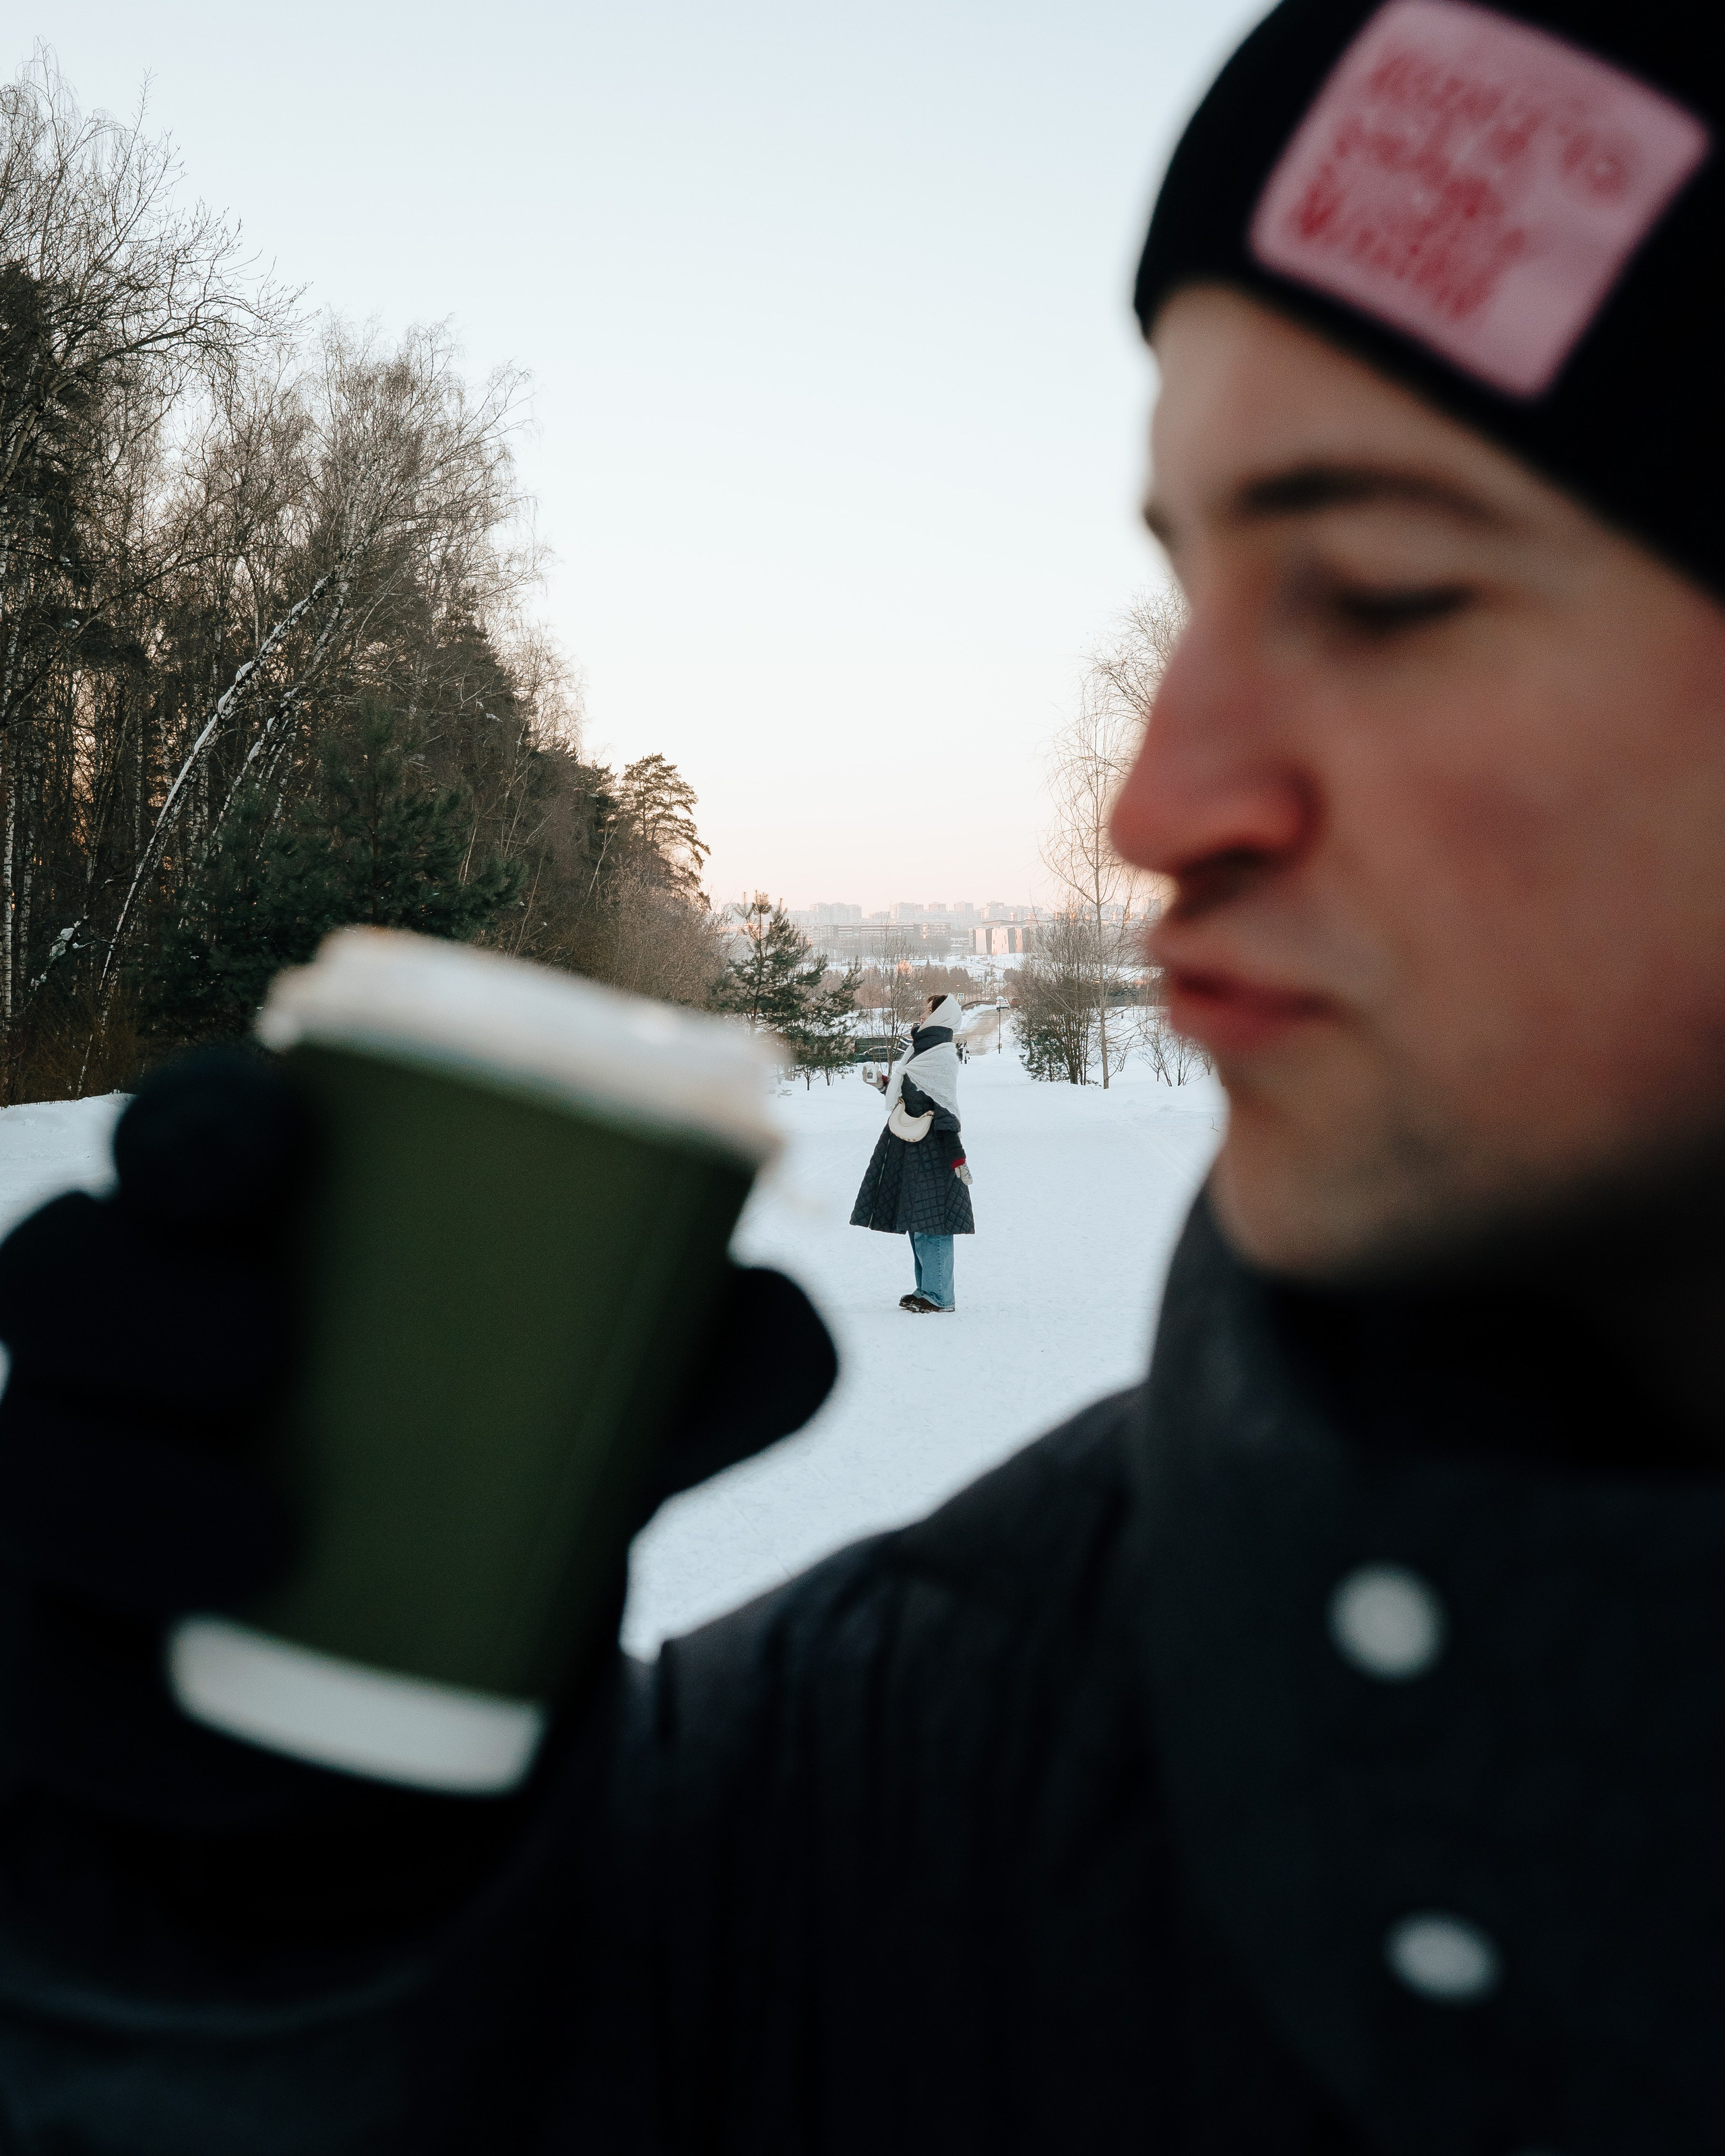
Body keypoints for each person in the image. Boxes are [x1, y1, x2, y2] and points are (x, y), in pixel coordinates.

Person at [0, 0, 1722, 2145]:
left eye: (1378, 586)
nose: (1157, 803)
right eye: (1188, 587)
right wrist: (256, 1946)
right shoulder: (895, 1740)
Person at [850, 991, 974, 1311]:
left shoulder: (941, 1055)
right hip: (911, 1147)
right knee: (918, 1225)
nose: (921, 1016)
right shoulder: (919, 1050)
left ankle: (940, 1297)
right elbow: (912, 1093)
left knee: (934, 1225)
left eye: (926, 1012)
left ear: (939, 1016)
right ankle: (925, 1290)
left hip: (933, 1151)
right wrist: (884, 1084)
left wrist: (958, 1157)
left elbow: (945, 1109)